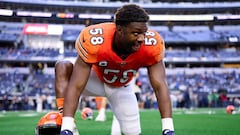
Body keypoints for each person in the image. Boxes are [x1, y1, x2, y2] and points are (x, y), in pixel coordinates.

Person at [60, 3, 175, 135]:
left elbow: (160, 85)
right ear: (119, 30)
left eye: (144, 33)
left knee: (133, 132)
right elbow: (75, 85)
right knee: (63, 67)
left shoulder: (151, 46)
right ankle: (66, 125)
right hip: (95, 81)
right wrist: (66, 128)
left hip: (122, 87)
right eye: (136, 33)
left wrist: (168, 129)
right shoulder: (96, 40)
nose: (142, 39)